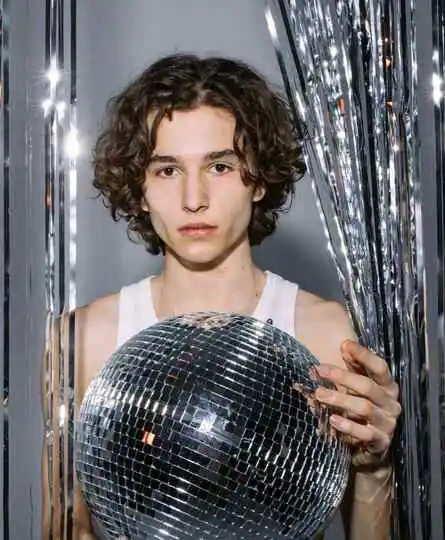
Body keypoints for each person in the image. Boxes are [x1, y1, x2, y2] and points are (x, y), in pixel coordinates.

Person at [71, 54, 401, 540]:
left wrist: (374, 469)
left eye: (220, 166)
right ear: (139, 189)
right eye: (166, 170)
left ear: (260, 178)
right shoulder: (87, 340)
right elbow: (71, 529)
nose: (193, 198)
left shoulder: (325, 334)